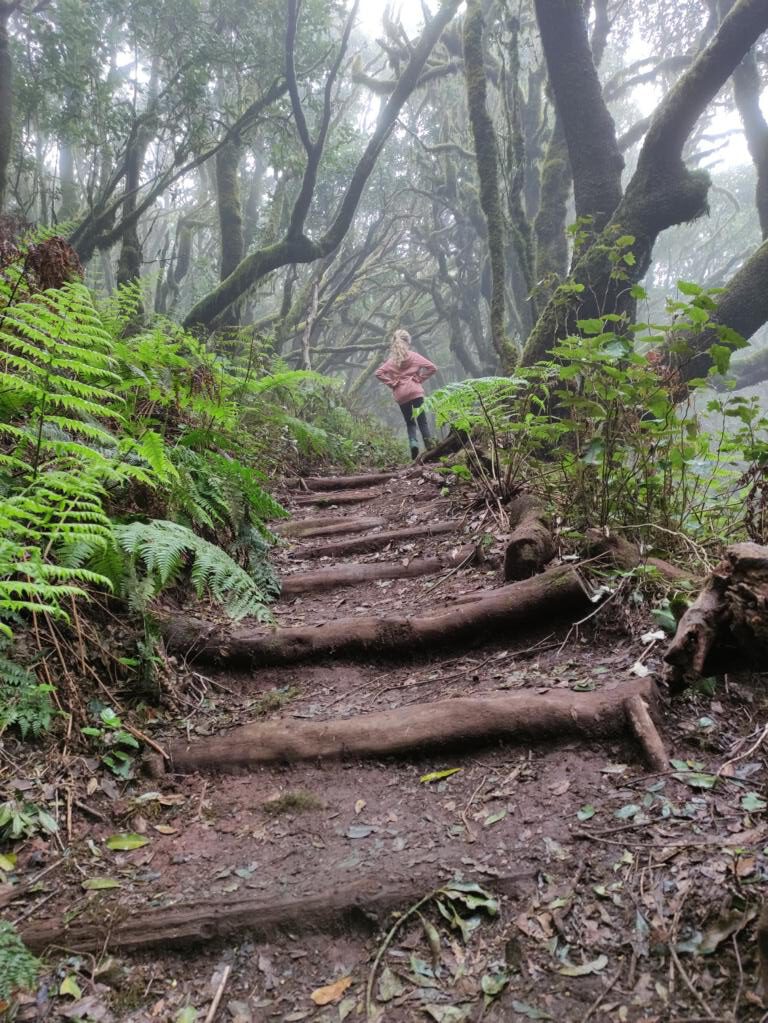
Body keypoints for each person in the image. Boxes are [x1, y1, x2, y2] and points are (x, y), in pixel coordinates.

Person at [375, 329, 437, 458]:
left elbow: (378, 373)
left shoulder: (391, 361)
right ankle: (430, 446)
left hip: (401, 394)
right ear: (408, 342)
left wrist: (391, 383)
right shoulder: (414, 356)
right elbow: (433, 368)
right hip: (416, 392)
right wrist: (420, 379)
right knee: (422, 421)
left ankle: (413, 443)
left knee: (410, 423)